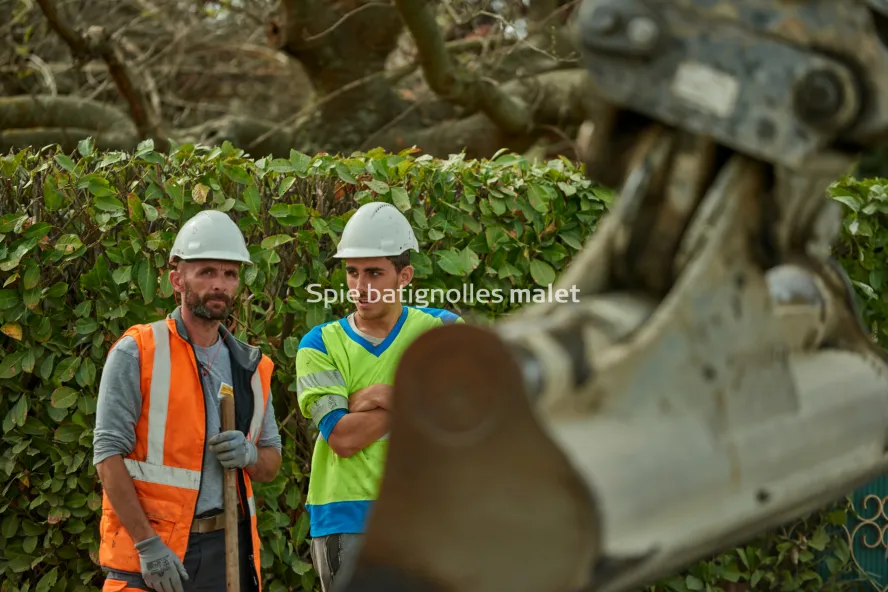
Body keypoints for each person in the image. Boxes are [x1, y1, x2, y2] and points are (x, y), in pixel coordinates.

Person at [92, 210, 283, 592]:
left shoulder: (251, 366)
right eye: (207, 272)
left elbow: (270, 461)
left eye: (229, 274)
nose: (220, 285)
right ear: (177, 280)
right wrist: (149, 546)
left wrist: (249, 455)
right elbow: (107, 455)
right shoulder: (139, 351)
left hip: (228, 548)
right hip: (158, 553)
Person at [296, 201, 464, 592]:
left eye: (374, 273)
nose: (361, 286)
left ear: (403, 275)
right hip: (346, 519)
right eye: (352, 273)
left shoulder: (442, 331)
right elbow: (343, 437)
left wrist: (392, 396)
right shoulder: (319, 343)